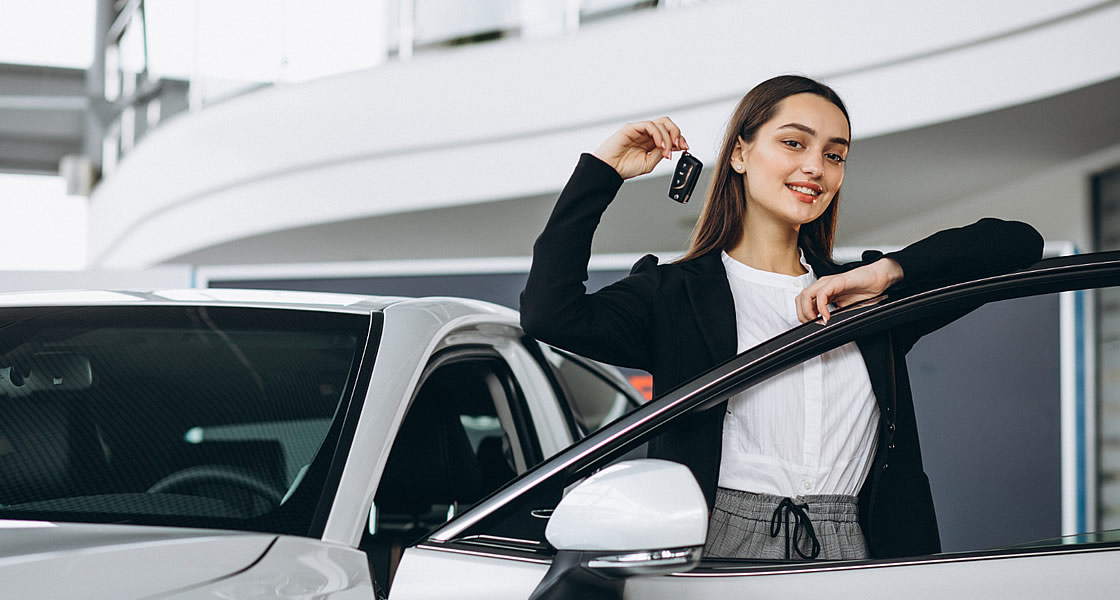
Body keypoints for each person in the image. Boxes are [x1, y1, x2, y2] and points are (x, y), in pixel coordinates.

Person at [520, 75, 1043, 561]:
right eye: (794, 143)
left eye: (834, 155)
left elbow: (1017, 242)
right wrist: (603, 171)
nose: (816, 167)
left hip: (859, 545)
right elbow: (551, 314)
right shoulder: (676, 295)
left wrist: (887, 274)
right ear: (741, 154)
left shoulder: (863, 296)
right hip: (719, 543)